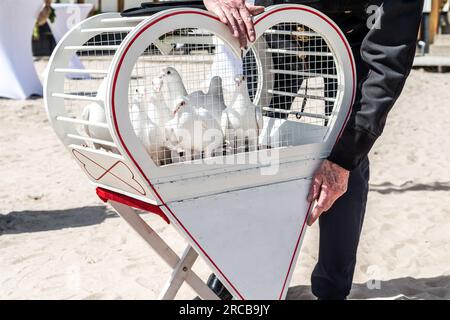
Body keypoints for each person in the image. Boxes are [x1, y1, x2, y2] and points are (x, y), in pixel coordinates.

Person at [202, 0, 424, 300]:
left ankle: (332, 290)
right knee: (254, 143)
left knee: (347, 157)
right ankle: (230, 280)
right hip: (280, 19)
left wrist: (344, 158)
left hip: (360, 31)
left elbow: (388, 58)